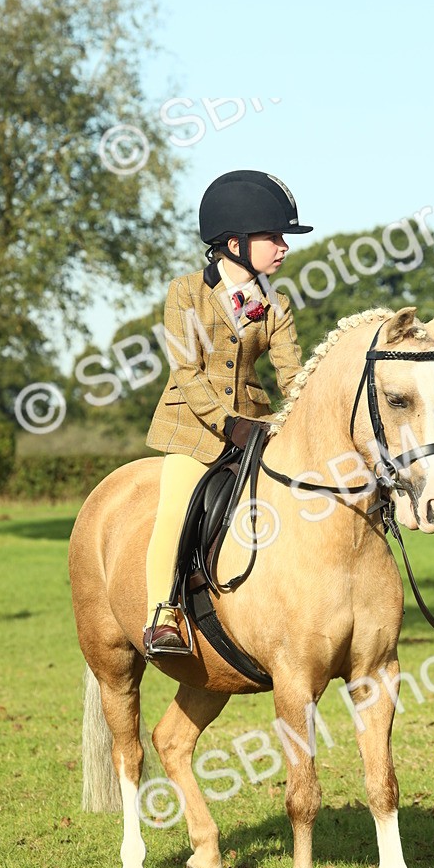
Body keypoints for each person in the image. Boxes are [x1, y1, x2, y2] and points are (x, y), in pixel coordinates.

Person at [143, 170, 312, 655]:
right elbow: (187, 371)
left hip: (256, 429)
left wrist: (296, 418)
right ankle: (164, 616)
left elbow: (292, 374)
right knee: (176, 508)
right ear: (234, 242)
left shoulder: (275, 305)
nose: (283, 247)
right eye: (273, 237)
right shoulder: (185, 293)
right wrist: (227, 423)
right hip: (193, 429)